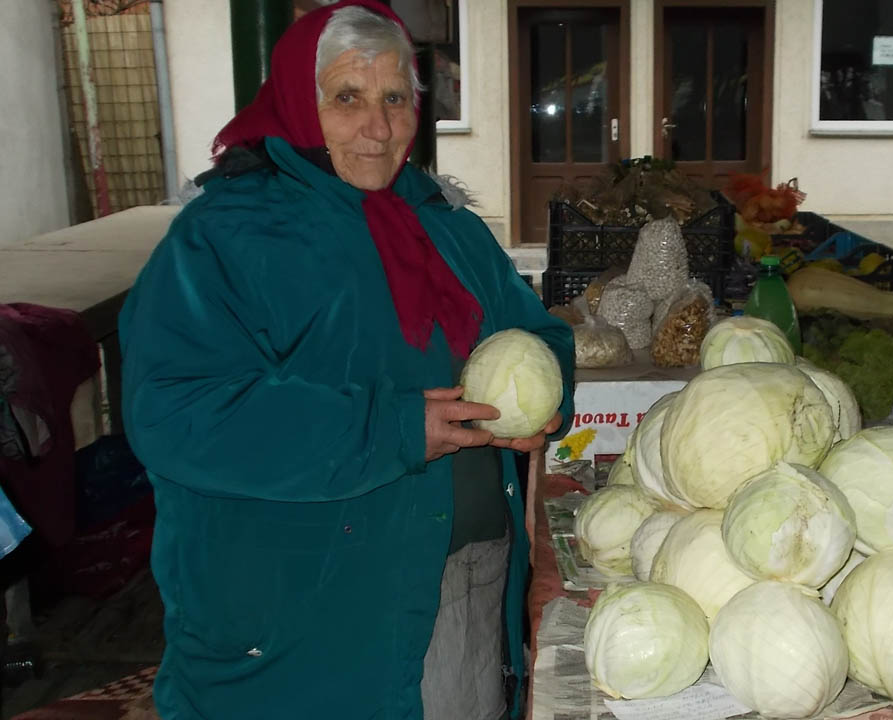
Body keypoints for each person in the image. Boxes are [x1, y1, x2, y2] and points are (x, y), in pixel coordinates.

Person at [118, 2, 574, 718]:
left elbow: (538, 332)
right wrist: (389, 430)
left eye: (395, 98)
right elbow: (175, 410)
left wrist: (539, 402)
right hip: (305, 613)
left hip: (458, 581)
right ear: (299, 101)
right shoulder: (230, 235)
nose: (379, 126)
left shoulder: (443, 222)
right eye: (347, 98)